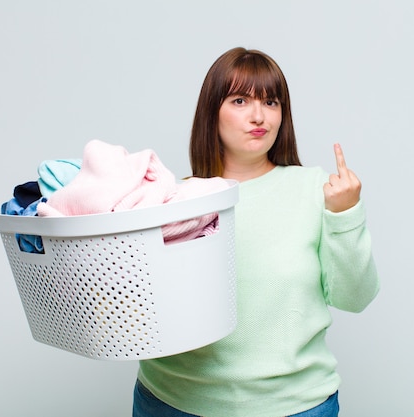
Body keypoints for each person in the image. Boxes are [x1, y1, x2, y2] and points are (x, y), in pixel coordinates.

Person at [132, 47, 380, 417]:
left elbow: (355, 298)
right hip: (172, 401)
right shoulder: (172, 198)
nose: (259, 116)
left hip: (295, 405)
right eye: (240, 100)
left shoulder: (317, 190)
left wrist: (346, 215)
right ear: (211, 111)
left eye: (271, 102)